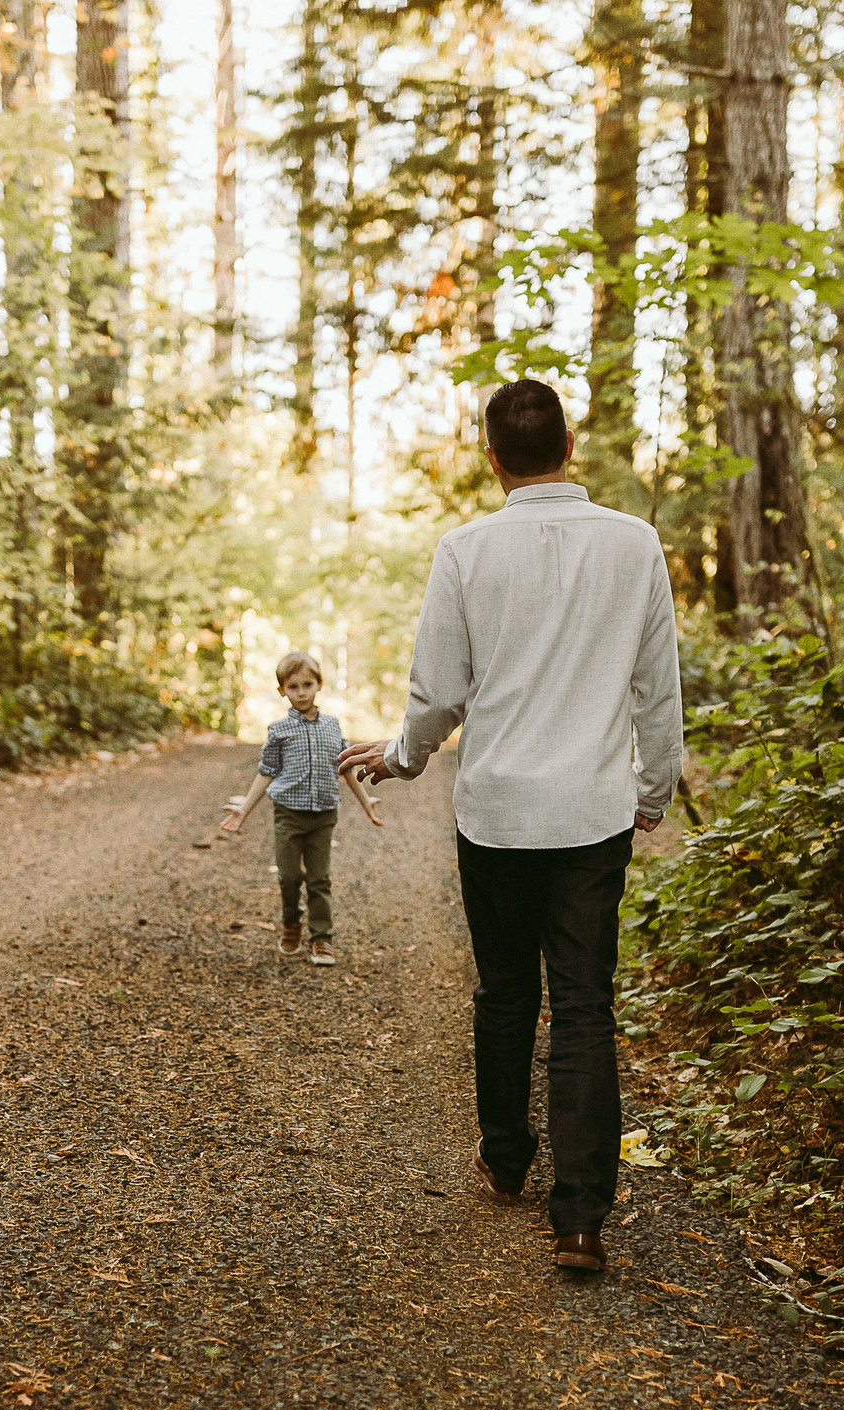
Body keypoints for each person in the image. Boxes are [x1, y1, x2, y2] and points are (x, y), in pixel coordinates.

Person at [342, 379, 683, 1276]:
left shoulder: (465, 551)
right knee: (583, 1003)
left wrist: (403, 756)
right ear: (570, 444)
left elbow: (438, 692)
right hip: (592, 813)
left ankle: (504, 1161)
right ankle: (578, 1219)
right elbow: (659, 683)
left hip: (496, 813)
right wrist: (656, 787)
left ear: (492, 457)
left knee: (504, 991)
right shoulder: (635, 543)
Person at [217, 649, 382, 966]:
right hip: (288, 816)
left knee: (319, 879)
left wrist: (366, 803)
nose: (301, 692)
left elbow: (346, 767)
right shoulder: (279, 731)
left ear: (319, 684)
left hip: (323, 816)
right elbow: (266, 772)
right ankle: (292, 923)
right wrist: (244, 810)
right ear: (282, 691)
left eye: (307, 684)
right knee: (289, 877)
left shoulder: (333, 727)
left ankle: (322, 939)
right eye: (293, 687)